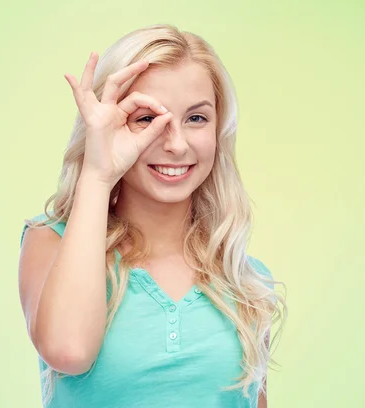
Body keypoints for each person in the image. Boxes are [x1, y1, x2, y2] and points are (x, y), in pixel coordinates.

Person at [18, 23, 287, 408]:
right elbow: (68, 351)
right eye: (146, 119)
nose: (175, 144)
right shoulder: (49, 242)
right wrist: (98, 173)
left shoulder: (244, 280)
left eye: (196, 118)